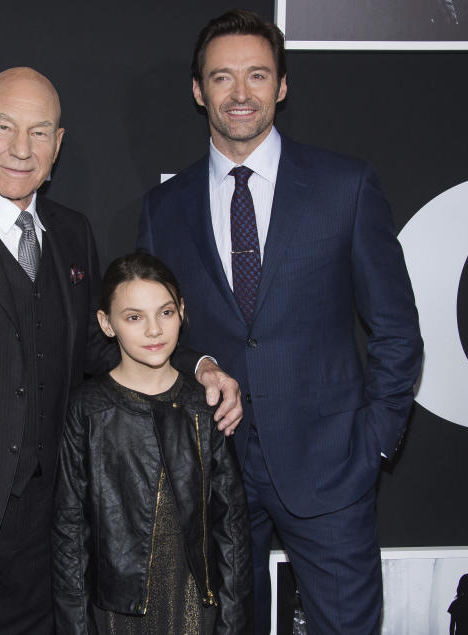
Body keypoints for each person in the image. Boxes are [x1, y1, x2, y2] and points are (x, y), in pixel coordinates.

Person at [0, 67, 242, 634]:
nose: (21, 148)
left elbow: (96, 346)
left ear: (58, 144)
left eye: (40, 132)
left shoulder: (72, 232)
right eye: (4, 127)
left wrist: (199, 364)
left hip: (47, 537)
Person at [137, 11, 423, 634]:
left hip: (331, 466)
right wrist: (202, 364)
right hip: (215, 466)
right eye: (222, 78)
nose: (240, 94)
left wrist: (373, 442)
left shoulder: (345, 186)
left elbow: (396, 329)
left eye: (257, 75)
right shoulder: (164, 207)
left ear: (282, 86)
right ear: (198, 91)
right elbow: (152, 337)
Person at [53, 252, 253, 634]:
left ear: (181, 310)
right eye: (134, 317)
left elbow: (232, 534)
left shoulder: (206, 405)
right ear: (106, 323)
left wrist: (231, 625)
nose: (154, 330)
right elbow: (69, 536)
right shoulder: (87, 409)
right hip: (116, 613)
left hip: (196, 608)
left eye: (165, 313)